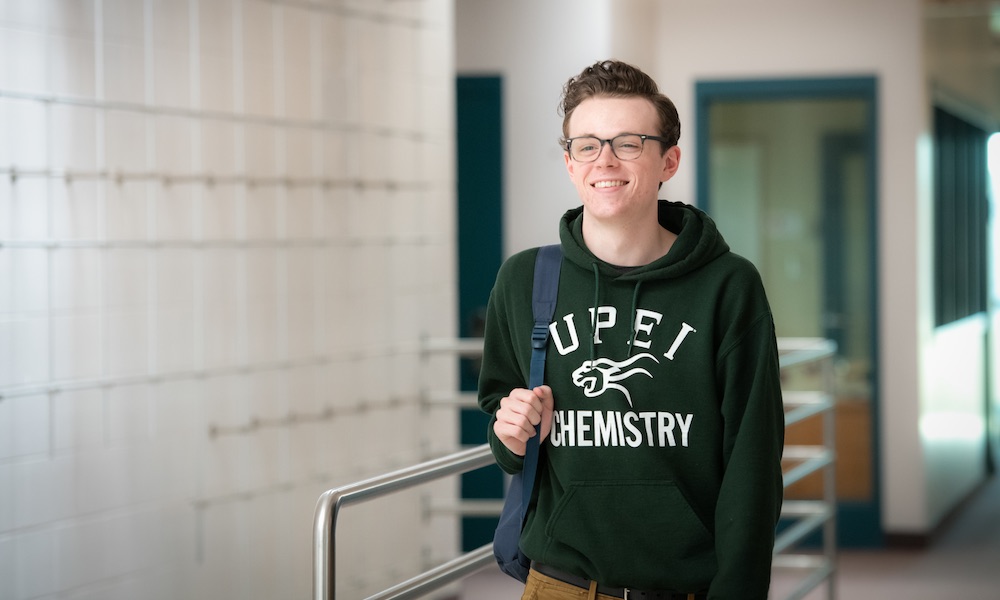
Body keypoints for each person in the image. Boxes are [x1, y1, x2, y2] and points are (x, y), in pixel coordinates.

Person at [478, 60, 784, 600]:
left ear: (669, 160)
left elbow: (752, 466)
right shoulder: (524, 279)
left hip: (683, 588)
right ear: (570, 163)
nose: (606, 161)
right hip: (558, 585)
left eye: (628, 143)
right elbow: (507, 438)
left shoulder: (728, 285)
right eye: (588, 145)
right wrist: (509, 433)